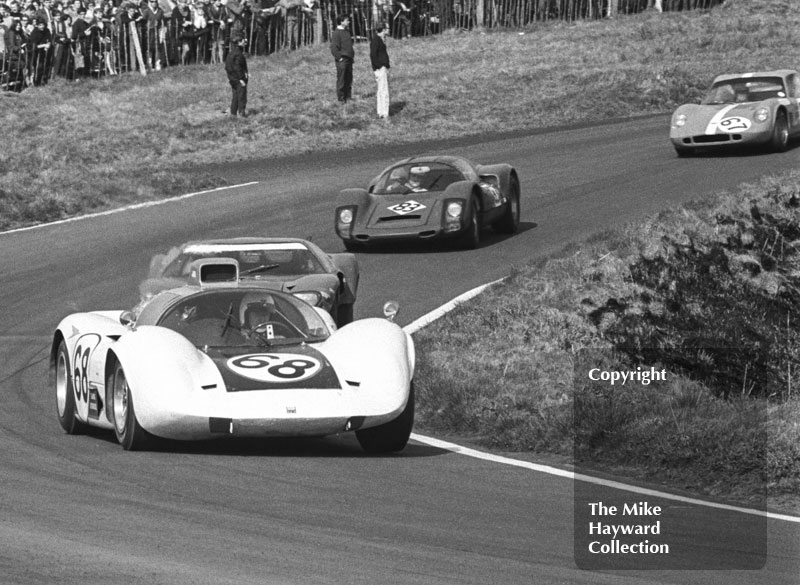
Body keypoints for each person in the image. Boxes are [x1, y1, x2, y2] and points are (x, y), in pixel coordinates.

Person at [329, 13, 353, 106]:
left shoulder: (347, 31)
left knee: (349, 79)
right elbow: (334, 48)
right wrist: (340, 58)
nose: (348, 21)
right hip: (342, 60)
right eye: (347, 20)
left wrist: (351, 56)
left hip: (349, 59)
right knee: (341, 79)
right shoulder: (336, 33)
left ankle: (348, 97)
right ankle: (341, 99)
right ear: (341, 21)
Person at [369, 22, 389, 120]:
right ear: (383, 30)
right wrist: (379, 66)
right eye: (387, 28)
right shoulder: (376, 40)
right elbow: (373, 55)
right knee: (383, 90)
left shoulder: (380, 39)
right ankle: (384, 112)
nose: (388, 30)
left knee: (381, 89)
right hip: (380, 68)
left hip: (381, 67)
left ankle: (381, 111)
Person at [224, 33, 247, 116]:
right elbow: (237, 67)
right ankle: (241, 113)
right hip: (238, 79)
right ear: (239, 42)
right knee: (241, 97)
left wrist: (231, 77)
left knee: (235, 97)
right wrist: (241, 78)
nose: (245, 41)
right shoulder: (238, 54)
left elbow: (227, 67)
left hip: (232, 78)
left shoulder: (231, 53)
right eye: (243, 40)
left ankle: (233, 113)